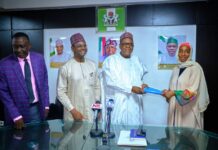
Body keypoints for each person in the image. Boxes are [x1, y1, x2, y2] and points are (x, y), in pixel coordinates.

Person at [0, 32, 50, 129]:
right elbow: (3, 92)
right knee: (17, 141)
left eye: (22, 46)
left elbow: (44, 84)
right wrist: (15, 115)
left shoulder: (39, 58)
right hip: (16, 112)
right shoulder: (3, 64)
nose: (18, 50)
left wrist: (46, 105)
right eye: (15, 47)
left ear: (29, 46)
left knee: (38, 139)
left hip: (38, 108)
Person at [102, 32, 148, 125]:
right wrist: (131, 88)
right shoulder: (111, 60)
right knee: (117, 133)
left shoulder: (137, 60)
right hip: (118, 103)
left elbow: (139, 78)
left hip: (134, 103)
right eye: (125, 44)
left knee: (134, 132)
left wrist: (143, 85)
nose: (128, 46)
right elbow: (110, 81)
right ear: (120, 46)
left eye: (131, 44)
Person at [162, 42, 209, 129]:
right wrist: (167, 93)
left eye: (186, 51)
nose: (183, 54)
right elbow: (172, 89)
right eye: (181, 51)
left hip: (188, 111)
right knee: (174, 138)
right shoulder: (176, 69)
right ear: (178, 53)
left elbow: (192, 93)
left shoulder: (195, 68)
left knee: (187, 139)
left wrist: (173, 93)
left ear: (190, 53)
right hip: (174, 110)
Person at [57, 33, 100, 122]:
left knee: (90, 134)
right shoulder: (66, 67)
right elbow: (60, 92)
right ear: (73, 48)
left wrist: (98, 106)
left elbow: (97, 87)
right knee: (75, 135)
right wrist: (73, 110)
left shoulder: (92, 65)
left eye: (84, 45)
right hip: (74, 113)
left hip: (91, 112)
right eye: (79, 46)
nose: (83, 48)